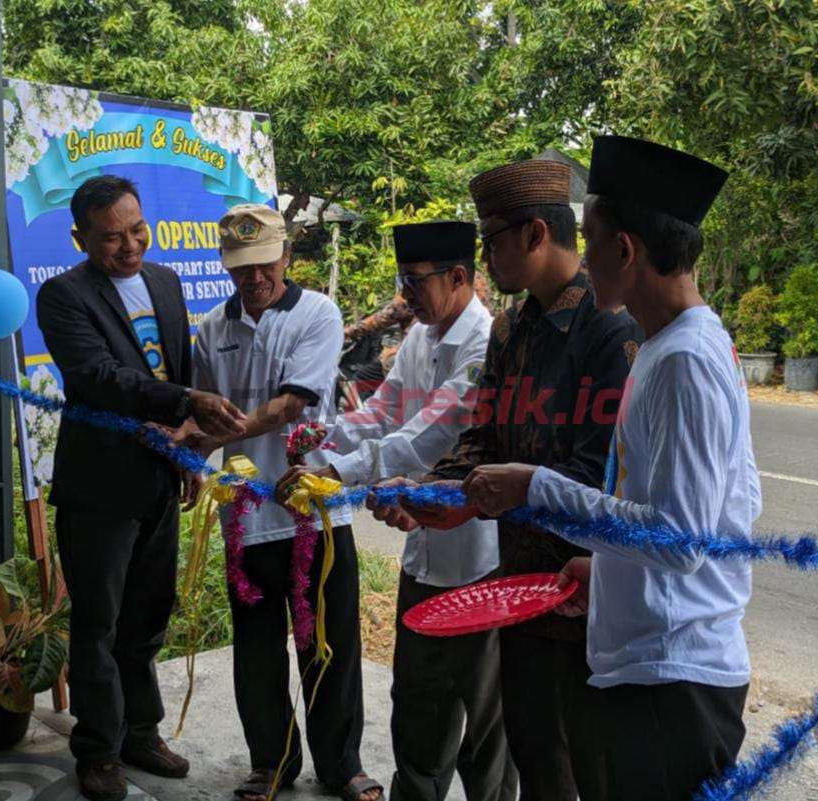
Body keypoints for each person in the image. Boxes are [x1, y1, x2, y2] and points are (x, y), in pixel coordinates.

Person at [462, 136, 759, 800]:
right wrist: (612, 569)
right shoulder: (669, 346)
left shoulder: (687, 359)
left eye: (590, 239)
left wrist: (535, 486)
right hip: (649, 665)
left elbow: (680, 539)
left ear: (625, 250)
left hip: (676, 681)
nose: (582, 256)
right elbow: (716, 504)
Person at [370, 160, 642, 801]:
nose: (484, 254)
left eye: (491, 239)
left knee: (583, 772)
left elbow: (602, 476)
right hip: (515, 589)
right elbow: (481, 438)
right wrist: (434, 494)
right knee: (532, 758)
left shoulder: (612, 329)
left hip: (583, 600)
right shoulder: (511, 328)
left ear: (534, 235)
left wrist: (488, 495)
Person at [277, 221, 518, 801]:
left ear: (459, 277)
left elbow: (426, 435)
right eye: (402, 282)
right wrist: (319, 439)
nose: (404, 297)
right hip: (423, 562)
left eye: (415, 282)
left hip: (481, 564)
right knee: (415, 705)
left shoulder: (487, 346)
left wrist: (337, 472)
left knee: (485, 724)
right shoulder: (420, 338)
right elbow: (382, 414)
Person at [37, 175, 246, 801]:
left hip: (159, 476)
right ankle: (97, 747)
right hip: (100, 483)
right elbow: (100, 377)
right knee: (99, 621)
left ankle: (141, 731)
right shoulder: (63, 295)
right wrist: (187, 398)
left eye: (136, 230)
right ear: (80, 237)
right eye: (110, 238)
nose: (129, 246)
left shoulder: (164, 281)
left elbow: (176, 364)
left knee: (147, 614)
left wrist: (186, 442)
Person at [185, 204, 383, 801]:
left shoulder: (317, 315)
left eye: (265, 264)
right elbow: (198, 409)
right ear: (227, 268)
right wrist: (193, 451)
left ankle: (342, 765)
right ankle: (269, 762)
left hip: (313, 510)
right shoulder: (210, 331)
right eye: (242, 269)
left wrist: (212, 435)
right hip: (245, 516)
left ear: (286, 257)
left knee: (327, 643)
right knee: (255, 647)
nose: (255, 279)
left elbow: (292, 405)